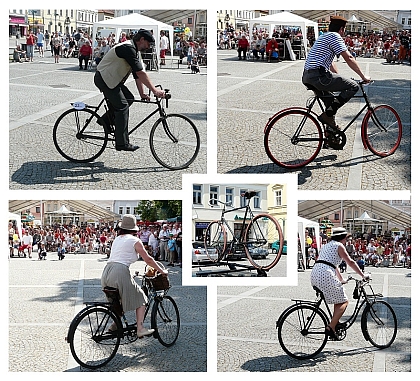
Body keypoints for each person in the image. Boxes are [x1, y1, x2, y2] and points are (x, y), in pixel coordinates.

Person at [94, 29, 166, 151]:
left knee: (129, 99)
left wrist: (142, 93)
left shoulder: (135, 51)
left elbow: (138, 74)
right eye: (148, 43)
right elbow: (139, 72)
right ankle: (122, 143)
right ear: (142, 40)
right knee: (122, 106)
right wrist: (155, 91)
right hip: (104, 79)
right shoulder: (128, 48)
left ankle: (105, 120)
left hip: (112, 80)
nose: (149, 47)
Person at [101, 214, 168, 338]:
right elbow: (148, 259)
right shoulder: (135, 241)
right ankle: (140, 328)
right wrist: (162, 271)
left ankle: (114, 326)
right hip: (119, 272)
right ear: (133, 229)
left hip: (106, 272)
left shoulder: (118, 239)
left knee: (118, 301)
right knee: (142, 298)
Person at [302, 16, 371, 131]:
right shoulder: (335, 36)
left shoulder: (324, 36)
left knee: (331, 104)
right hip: (319, 76)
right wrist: (363, 77)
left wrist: (338, 78)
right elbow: (349, 57)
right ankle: (327, 117)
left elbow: (331, 63)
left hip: (308, 76)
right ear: (341, 29)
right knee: (354, 86)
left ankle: (330, 136)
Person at [310, 227, 368, 340]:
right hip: (325, 274)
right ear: (342, 238)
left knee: (338, 299)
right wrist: (362, 275)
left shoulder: (327, 245)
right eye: (346, 238)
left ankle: (335, 323)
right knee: (344, 301)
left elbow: (333, 264)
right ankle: (331, 327)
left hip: (315, 273)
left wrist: (341, 280)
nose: (346, 241)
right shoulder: (339, 245)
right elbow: (350, 262)